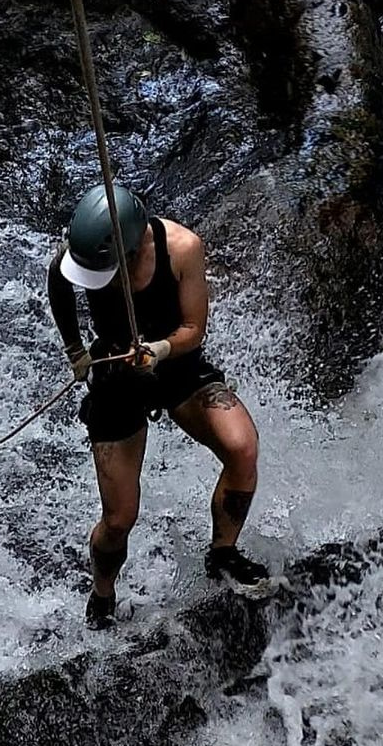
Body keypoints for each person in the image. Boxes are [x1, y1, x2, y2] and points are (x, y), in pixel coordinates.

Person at [47, 183, 269, 630]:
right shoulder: (83, 252)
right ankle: (102, 594)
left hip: (175, 365)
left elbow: (193, 328)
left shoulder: (182, 249)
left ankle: (223, 553)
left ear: (131, 248)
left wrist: (158, 349)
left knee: (242, 449)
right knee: (119, 516)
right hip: (117, 374)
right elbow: (59, 282)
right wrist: (76, 352)